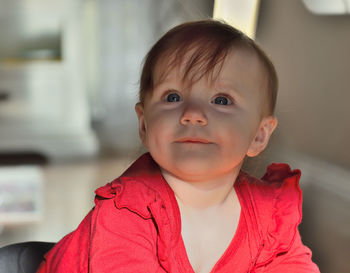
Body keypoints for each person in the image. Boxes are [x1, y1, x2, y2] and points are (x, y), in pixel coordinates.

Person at [37, 20, 320, 273]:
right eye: (173, 97)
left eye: (221, 100)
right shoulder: (129, 211)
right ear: (145, 125)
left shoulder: (270, 217)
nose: (193, 113)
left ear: (259, 136)